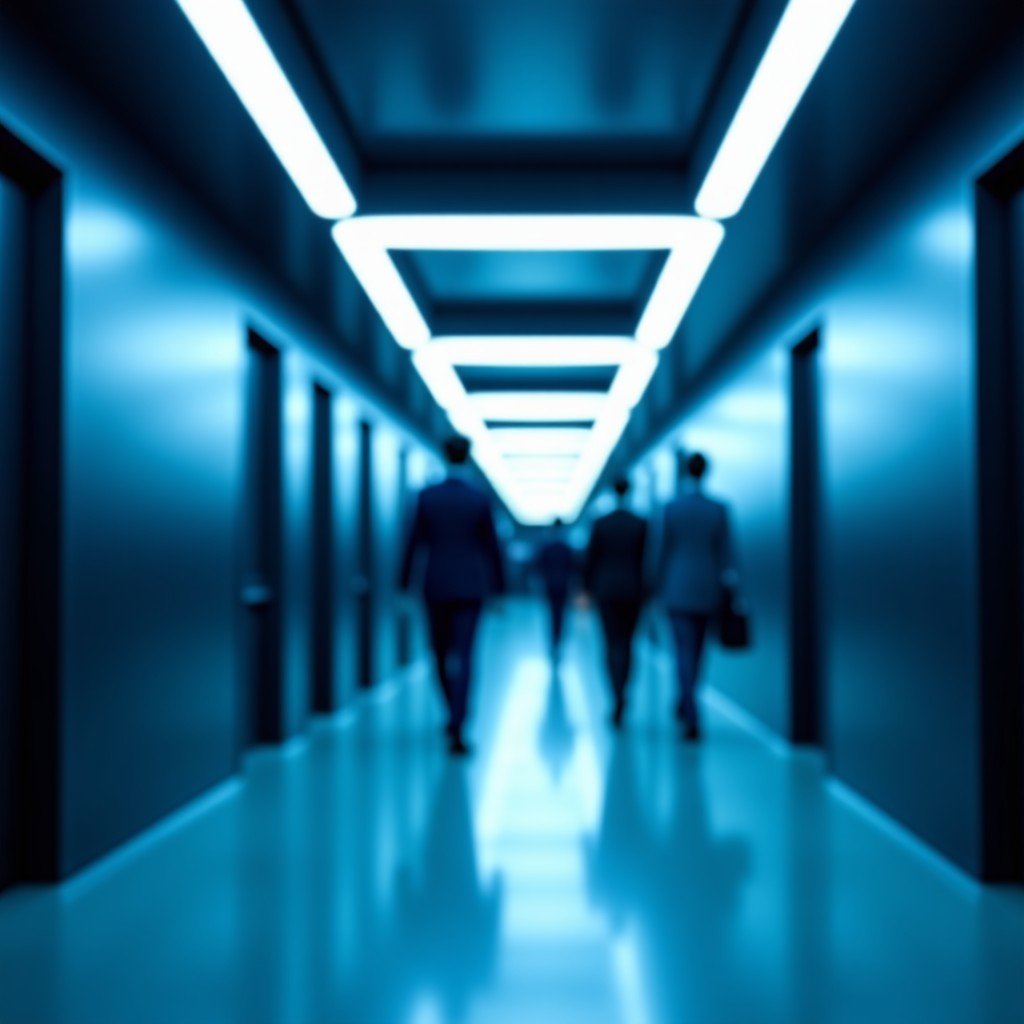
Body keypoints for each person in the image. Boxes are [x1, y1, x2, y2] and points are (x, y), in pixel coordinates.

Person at [399, 435, 505, 756]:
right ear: (468, 457)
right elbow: (492, 547)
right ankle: (459, 720)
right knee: (467, 654)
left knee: (439, 653)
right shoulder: (479, 498)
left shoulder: (427, 497)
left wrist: (403, 585)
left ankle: (451, 712)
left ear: (443, 455)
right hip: (472, 586)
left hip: (436, 585)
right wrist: (499, 589)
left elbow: (413, 543)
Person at [655, 452, 737, 742]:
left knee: (683, 650)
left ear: (685, 472)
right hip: (707, 589)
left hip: (677, 589)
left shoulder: (671, 508)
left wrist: (656, 586)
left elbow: (661, 552)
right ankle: (688, 702)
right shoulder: (718, 509)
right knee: (699, 652)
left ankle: (688, 707)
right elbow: (727, 554)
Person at [583, 478, 648, 729]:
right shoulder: (640, 523)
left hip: (606, 591)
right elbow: (646, 561)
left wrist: (587, 590)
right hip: (633, 591)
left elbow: (591, 559)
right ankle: (624, 691)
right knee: (628, 644)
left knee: (611, 644)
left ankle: (616, 695)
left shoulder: (601, 523)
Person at [535, 518, 576, 658]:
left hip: (549, 585)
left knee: (552, 614)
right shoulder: (566, 547)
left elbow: (538, 567)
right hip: (563, 585)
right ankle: (557, 641)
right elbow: (574, 568)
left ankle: (553, 641)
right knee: (560, 614)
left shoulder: (546, 547)